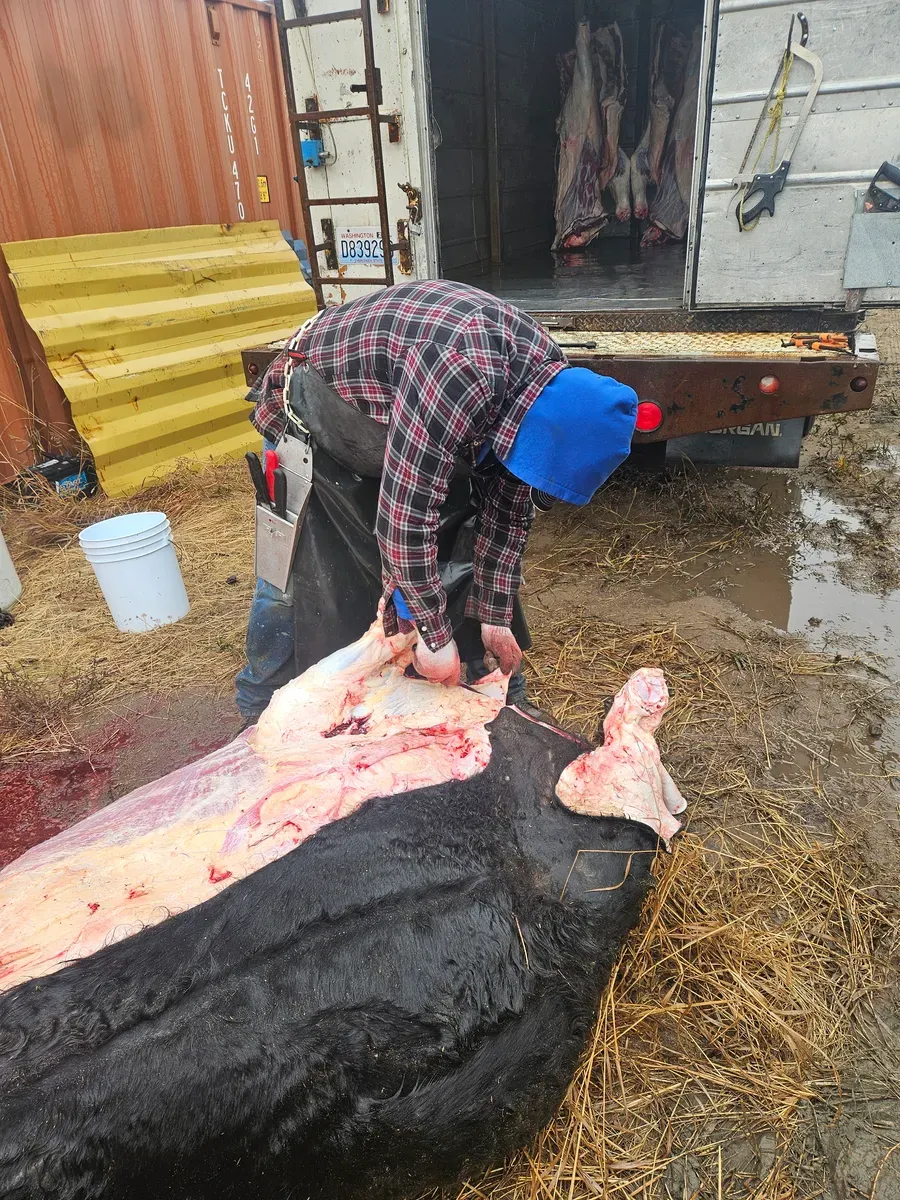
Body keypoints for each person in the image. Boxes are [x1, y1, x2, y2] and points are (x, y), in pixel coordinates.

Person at [235, 280, 637, 724]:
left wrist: (496, 616)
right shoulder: (462, 370)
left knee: (432, 554)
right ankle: (256, 703)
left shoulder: (548, 387)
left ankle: (484, 694)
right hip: (317, 405)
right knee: (291, 573)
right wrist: (434, 634)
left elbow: (508, 508)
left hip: (393, 424)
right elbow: (404, 521)